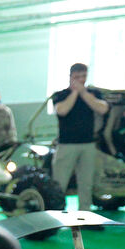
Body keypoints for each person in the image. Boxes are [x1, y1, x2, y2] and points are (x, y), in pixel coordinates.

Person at [51, 62, 109, 211]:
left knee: (86, 183)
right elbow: (62, 110)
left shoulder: (93, 94)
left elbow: (102, 108)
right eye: (77, 77)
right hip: (66, 145)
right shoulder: (60, 95)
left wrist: (83, 93)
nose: (81, 80)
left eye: (84, 76)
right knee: (60, 182)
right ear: (70, 77)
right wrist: (75, 93)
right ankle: (57, 212)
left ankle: (85, 213)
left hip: (88, 144)